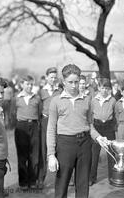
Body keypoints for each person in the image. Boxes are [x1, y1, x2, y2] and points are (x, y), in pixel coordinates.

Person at [47, 64, 108, 198]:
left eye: (76, 82)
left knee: (82, 184)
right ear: (64, 82)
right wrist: (51, 154)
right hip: (65, 144)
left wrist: (98, 138)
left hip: (85, 144)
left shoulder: (87, 99)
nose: (74, 86)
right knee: (62, 184)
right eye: (70, 82)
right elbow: (51, 129)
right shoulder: (56, 101)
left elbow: (90, 124)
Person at [14, 75, 41, 190]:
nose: (29, 86)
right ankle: (23, 182)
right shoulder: (16, 98)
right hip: (21, 126)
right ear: (22, 84)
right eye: (27, 84)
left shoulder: (37, 98)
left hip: (34, 126)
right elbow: (11, 112)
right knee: (22, 156)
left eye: (31, 84)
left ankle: (33, 180)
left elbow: (39, 112)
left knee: (34, 156)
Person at [38, 67, 62, 188]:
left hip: (58, 122)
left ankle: (61, 178)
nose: (53, 79)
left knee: (58, 148)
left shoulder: (60, 91)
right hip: (45, 121)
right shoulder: (41, 91)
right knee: (43, 149)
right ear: (47, 77)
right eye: (51, 77)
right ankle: (41, 178)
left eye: (54, 77)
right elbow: (38, 108)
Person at [89, 78, 116, 186]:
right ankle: (92, 177)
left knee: (111, 153)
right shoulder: (93, 100)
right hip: (97, 126)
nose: (104, 90)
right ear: (99, 88)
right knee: (94, 153)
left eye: (106, 88)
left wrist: (113, 126)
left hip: (108, 126)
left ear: (109, 89)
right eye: (102, 88)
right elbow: (90, 114)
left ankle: (112, 177)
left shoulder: (113, 100)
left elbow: (116, 115)